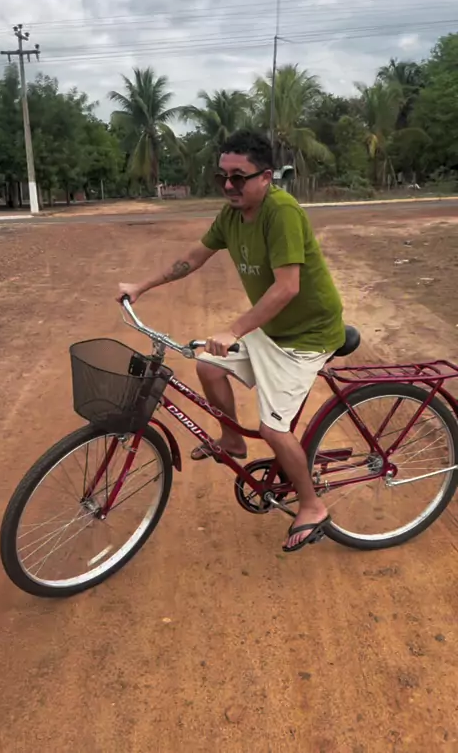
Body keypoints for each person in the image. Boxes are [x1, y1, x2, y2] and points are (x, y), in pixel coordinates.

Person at [118, 128, 346, 552]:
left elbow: (287, 287)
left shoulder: (282, 213)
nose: (228, 185)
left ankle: (312, 506)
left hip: (307, 337)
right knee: (208, 365)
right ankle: (232, 440)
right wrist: (141, 286)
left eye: (238, 177)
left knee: (273, 428)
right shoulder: (232, 216)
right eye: (221, 176)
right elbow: (193, 257)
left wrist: (235, 330)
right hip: (275, 331)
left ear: (266, 176)